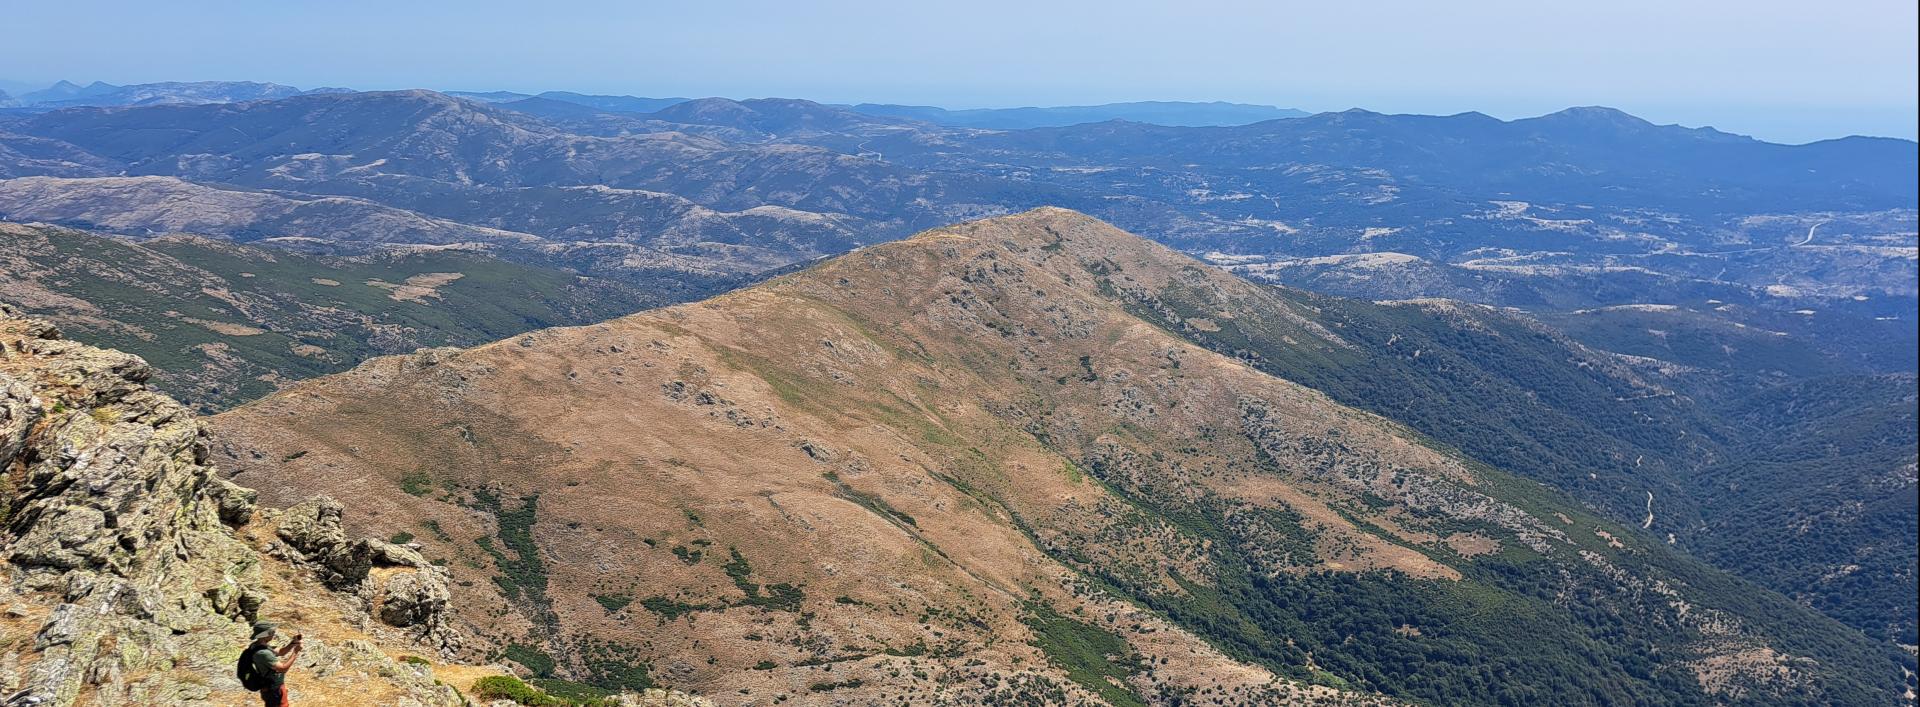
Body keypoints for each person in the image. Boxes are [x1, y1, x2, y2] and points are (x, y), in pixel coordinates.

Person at [242, 621, 303, 706]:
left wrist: (293, 643)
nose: (273, 634)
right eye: (272, 632)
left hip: (269, 687)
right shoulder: (263, 653)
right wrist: (295, 652)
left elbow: (281, 652)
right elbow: (283, 668)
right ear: (265, 635)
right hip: (273, 688)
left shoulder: (257, 645)